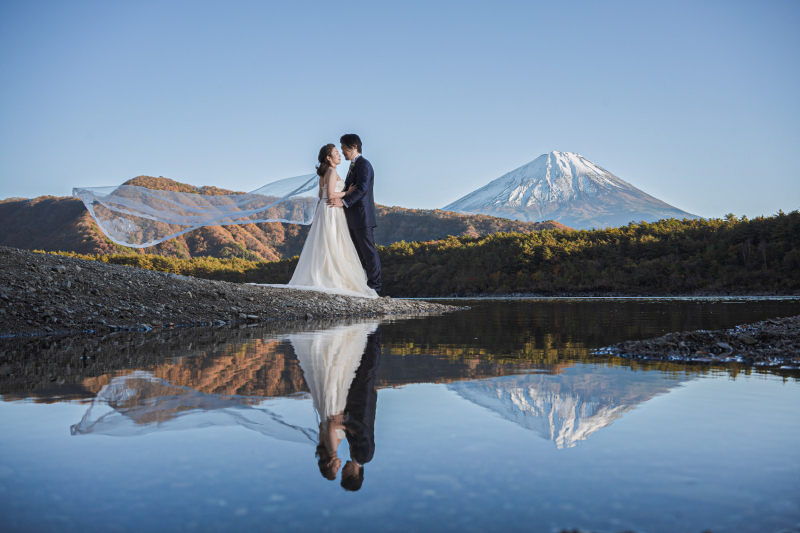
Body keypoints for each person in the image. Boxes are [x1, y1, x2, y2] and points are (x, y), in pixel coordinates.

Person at [272, 143, 378, 298]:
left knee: (325, 244)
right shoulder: (332, 171)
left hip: (324, 209)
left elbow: (322, 197)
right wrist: (347, 192)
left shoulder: (323, 174)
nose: (340, 154)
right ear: (329, 158)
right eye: (336, 152)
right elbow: (329, 194)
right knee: (333, 243)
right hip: (332, 209)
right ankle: (330, 277)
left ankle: (324, 275)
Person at [327, 134, 382, 295]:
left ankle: (375, 288)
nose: (342, 151)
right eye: (342, 148)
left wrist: (344, 202)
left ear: (354, 147)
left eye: (344, 147)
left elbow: (362, 188)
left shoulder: (364, 165)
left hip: (362, 216)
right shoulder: (353, 166)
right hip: (352, 218)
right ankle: (364, 285)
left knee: (369, 253)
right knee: (359, 254)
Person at [340, 327, 381, 492]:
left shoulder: (354, 455)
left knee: (360, 368)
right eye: (344, 474)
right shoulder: (365, 456)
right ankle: (375, 332)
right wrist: (344, 422)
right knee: (368, 369)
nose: (342, 470)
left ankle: (366, 332)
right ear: (353, 475)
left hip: (356, 403)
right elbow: (362, 431)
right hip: (363, 403)